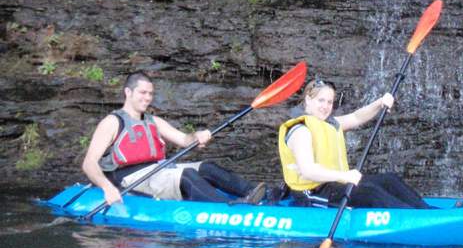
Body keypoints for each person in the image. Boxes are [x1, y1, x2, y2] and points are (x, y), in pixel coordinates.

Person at [82, 71, 266, 206]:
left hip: (156, 170)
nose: (147, 98)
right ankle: (229, 209)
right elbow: (89, 163)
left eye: (150, 94)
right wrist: (107, 188)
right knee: (187, 175)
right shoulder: (112, 122)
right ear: (128, 92)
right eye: (142, 93)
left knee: (207, 167)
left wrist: (198, 136)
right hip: (129, 178)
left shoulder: (154, 121)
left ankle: (258, 194)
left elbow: (185, 140)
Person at [278, 79, 435, 209]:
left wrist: (380, 103)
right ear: (308, 100)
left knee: (389, 180)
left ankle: (429, 213)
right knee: (370, 193)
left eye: (329, 102)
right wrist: (345, 175)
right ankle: (413, 219)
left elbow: (356, 117)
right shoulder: (300, 131)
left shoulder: (329, 124)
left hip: (334, 184)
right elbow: (308, 171)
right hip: (311, 192)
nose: (325, 106)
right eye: (321, 101)